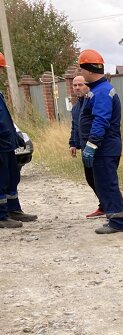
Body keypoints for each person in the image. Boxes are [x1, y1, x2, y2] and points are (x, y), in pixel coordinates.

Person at [77, 49, 123, 234]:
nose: (81, 73)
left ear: (89, 69)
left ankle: (118, 221)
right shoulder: (98, 90)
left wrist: (92, 145)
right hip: (104, 148)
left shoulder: (101, 92)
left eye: (82, 69)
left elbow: (101, 120)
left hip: (104, 148)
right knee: (105, 183)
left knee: (107, 183)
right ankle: (121, 215)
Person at [0, 51, 37, 229]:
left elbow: (5, 119)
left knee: (12, 177)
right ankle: (1, 216)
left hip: (7, 144)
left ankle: (13, 209)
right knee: (1, 179)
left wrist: (15, 136)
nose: (1, 72)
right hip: (1, 145)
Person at [69, 75, 103, 219]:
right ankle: (104, 205)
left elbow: (100, 122)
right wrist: (73, 143)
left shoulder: (92, 101)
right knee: (90, 178)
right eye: (75, 85)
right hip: (84, 147)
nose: (77, 88)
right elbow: (75, 126)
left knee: (102, 179)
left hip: (96, 146)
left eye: (80, 84)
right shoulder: (76, 107)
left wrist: (93, 143)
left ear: (87, 85)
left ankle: (113, 206)